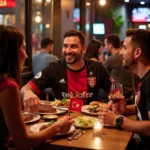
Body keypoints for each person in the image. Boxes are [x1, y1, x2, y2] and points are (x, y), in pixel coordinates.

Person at [0, 25, 73, 149]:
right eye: (23, 48)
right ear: (11, 52)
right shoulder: (8, 86)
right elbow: (23, 142)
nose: (26, 55)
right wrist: (57, 127)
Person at [20, 29, 111, 111]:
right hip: (62, 120)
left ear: (83, 49)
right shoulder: (54, 68)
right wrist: (27, 93)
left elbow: (114, 91)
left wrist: (113, 100)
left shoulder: (97, 67)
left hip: (90, 119)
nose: (68, 51)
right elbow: (24, 89)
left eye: (73, 46)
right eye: (65, 46)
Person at [99, 29, 150, 150]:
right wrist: (126, 109)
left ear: (137, 52)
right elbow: (144, 107)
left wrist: (118, 120)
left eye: (124, 48)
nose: (120, 53)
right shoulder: (142, 79)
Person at [103, 34, 138, 104]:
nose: (121, 53)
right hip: (130, 94)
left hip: (119, 94)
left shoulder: (111, 59)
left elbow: (100, 74)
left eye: (124, 48)